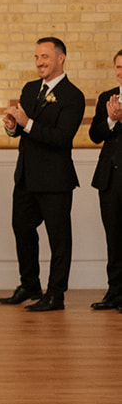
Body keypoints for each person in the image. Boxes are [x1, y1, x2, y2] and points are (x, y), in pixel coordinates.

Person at [0, 36, 85, 313]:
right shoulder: (29, 89)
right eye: (36, 57)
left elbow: (61, 138)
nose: (39, 62)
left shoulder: (73, 96)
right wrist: (12, 126)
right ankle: (30, 285)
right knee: (21, 229)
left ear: (61, 58)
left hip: (55, 179)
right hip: (26, 176)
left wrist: (27, 123)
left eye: (45, 57)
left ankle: (56, 294)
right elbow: (22, 131)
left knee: (59, 239)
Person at [88, 48, 122, 313]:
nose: (121, 71)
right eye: (118, 66)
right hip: (109, 178)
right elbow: (95, 135)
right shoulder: (106, 98)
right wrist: (111, 119)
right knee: (113, 239)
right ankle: (115, 292)